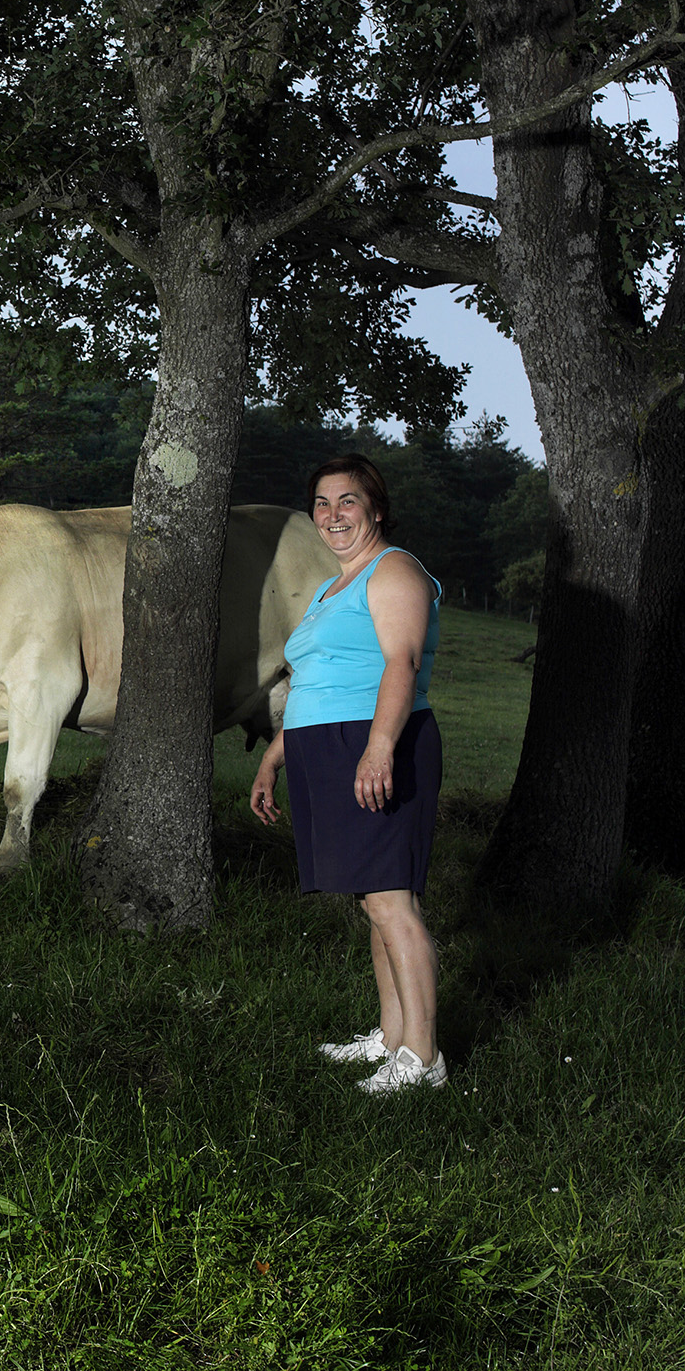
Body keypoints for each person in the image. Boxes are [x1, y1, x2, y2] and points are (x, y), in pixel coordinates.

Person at [251, 453, 447, 1095]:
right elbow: (316, 682)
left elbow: (401, 663)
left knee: (392, 900)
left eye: (348, 501)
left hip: (376, 742)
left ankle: (423, 1058)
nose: (332, 515)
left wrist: (379, 748)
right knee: (372, 898)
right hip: (327, 747)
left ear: (376, 509)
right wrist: (276, 755)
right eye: (322, 503)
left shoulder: (395, 571)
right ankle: (391, 1038)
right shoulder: (331, 588)